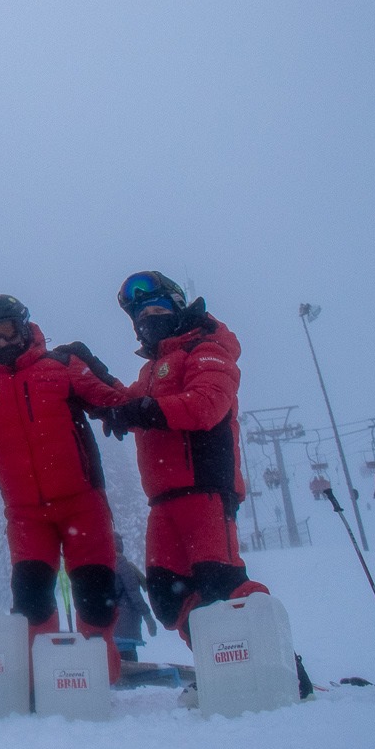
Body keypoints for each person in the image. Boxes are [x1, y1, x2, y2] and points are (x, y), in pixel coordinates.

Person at [0, 295, 133, 680]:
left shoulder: (60, 366)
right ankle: (44, 677)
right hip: (26, 515)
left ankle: (99, 676)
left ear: (24, 328)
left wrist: (105, 379)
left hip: (83, 504)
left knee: (95, 595)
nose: (1, 344)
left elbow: (116, 400)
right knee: (30, 597)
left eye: (7, 332)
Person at [102, 272, 269, 646]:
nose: (148, 321)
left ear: (178, 306)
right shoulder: (151, 370)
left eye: (156, 310)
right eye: (140, 317)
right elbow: (130, 405)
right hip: (163, 500)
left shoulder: (207, 349)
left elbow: (205, 406)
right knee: (167, 596)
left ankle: (279, 665)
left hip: (204, 488)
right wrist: (88, 370)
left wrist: (144, 411)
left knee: (220, 581)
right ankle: (223, 664)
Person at [111, 534, 157, 665]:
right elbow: (134, 594)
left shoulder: (103, 566)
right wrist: (148, 617)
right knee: (129, 665)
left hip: (110, 623)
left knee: (114, 665)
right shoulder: (123, 565)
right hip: (125, 624)